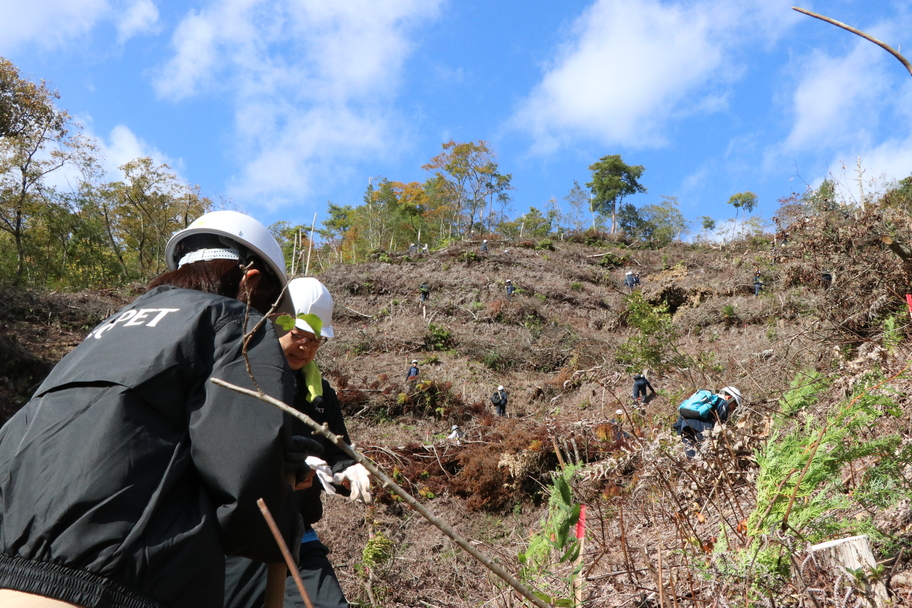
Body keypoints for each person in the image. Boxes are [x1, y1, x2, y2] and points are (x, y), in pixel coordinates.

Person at [0, 210, 321, 608]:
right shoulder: (234, 322)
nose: (269, 322)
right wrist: (284, 515)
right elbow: (244, 467)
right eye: (269, 308)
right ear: (250, 278)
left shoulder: (106, 330)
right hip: (121, 581)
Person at [224, 277, 371, 608]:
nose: (305, 346)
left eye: (315, 340)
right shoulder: (241, 376)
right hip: (238, 535)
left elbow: (337, 450)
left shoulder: (319, 393)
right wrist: (281, 470)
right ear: (276, 325)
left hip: (296, 531)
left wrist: (347, 470)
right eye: (298, 336)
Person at [672, 386, 742, 458]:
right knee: (705, 456)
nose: (732, 410)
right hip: (702, 430)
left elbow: (683, 413)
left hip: (685, 428)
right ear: (729, 398)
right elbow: (720, 426)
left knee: (691, 456)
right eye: (734, 406)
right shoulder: (723, 403)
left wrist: (678, 431)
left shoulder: (705, 400)